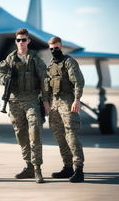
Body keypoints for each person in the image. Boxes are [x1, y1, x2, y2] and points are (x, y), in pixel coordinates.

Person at [0, 28, 50, 183]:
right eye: (18, 40)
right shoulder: (10, 59)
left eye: (24, 40)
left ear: (28, 41)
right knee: (21, 134)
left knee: (35, 132)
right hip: (14, 102)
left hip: (32, 99)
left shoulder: (35, 59)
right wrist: (6, 79)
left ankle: (38, 168)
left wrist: (45, 101)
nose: (21, 42)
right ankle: (29, 167)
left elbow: (44, 81)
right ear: (15, 42)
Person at [46, 36, 85, 183]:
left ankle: (78, 169)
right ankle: (67, 167)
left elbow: (78, 82)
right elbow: (48, 86)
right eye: (51, 49)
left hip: (68, 101)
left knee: (71, 136)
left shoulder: (69, 62)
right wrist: (47, 103)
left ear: (60, 46)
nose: (54, 51)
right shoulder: (50, 65)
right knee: (59, 136)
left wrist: (77, 99)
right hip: (55, 104)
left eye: (56, 48)